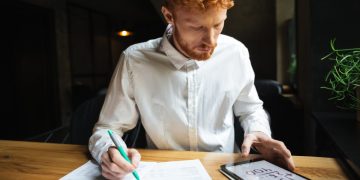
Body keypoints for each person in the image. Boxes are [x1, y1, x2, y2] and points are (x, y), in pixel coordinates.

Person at [89, 0, 295, 179]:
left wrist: (259, 132)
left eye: (218, 24)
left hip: (224, 171)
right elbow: (108, 128)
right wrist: (109, 151)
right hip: (163, 174)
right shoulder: (134, 60)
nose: (211, 41)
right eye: (197, 27)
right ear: (169, 16)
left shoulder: (236, 53)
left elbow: (250, 109)